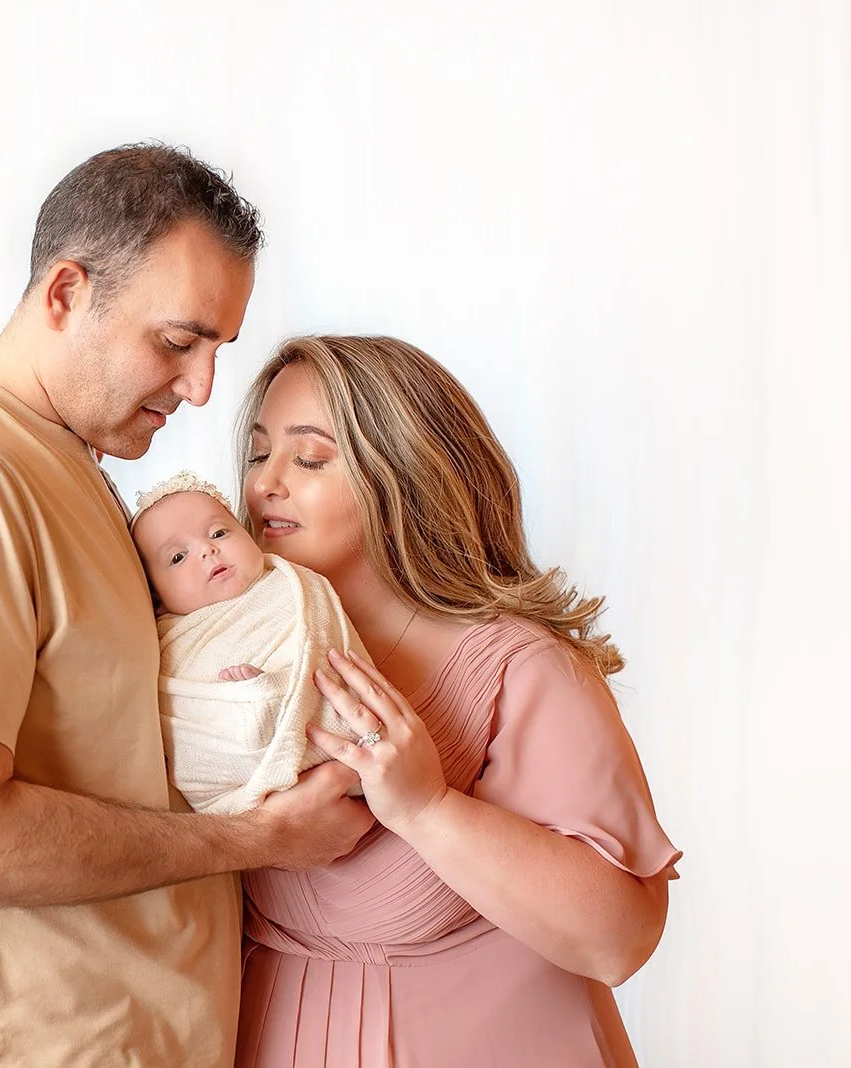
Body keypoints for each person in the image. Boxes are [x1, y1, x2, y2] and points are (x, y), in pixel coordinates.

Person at [0, 146, 374, 1068]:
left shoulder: (73, 468)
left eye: (217, 351)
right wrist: (259, 837)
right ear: (65, 293)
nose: (202, 388)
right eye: (176, 342)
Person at [231, 335, 682, 1068]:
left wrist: (428, 809)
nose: (264, 484)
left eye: (309, 459)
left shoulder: (520, 671)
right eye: (258, 454)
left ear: (402, 476)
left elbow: (620, 940)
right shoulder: (235, 663)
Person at [128, 471, 368, 814]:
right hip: (252, 802)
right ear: (155, 595)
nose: (207, 550)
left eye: (219, 533)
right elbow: (189, 732)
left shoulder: (293, 586)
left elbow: (336, 655)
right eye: (178, 557)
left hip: (352, 751)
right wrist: (253, 701)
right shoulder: (174, 644)